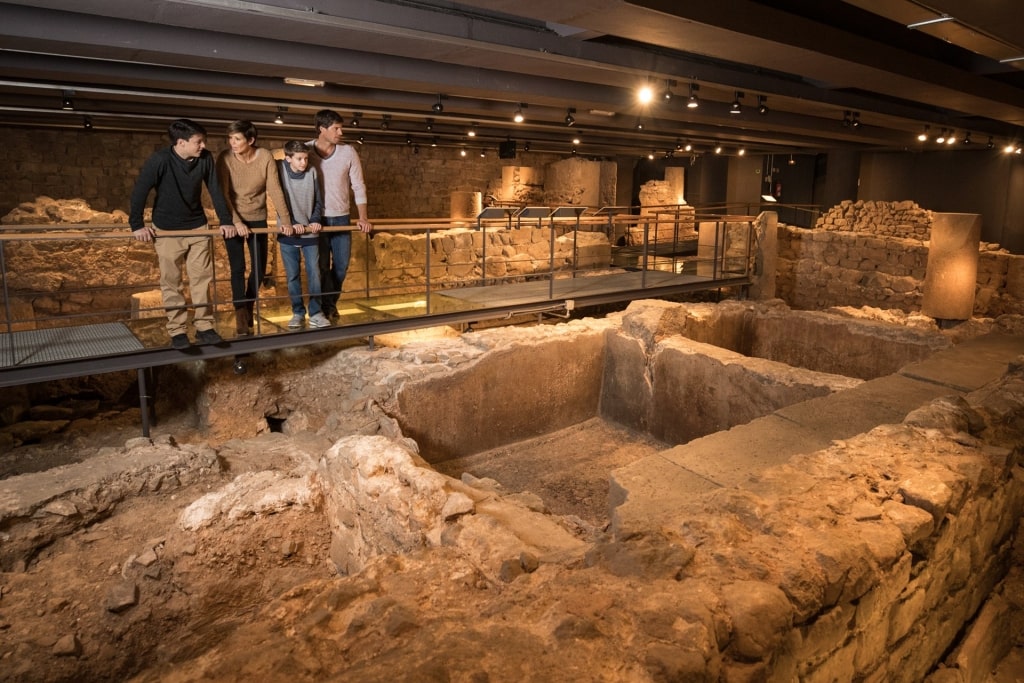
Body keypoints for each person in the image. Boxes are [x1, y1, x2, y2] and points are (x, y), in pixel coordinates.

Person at [129, 118, 234, 350]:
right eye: (198, 142)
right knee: (171, 282)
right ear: (181, 142)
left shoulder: (204, 159)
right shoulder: (160, 160)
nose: (203, 146)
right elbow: (140, 191)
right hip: (166, 230)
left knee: (201, 279)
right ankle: (177, 330)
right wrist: (136, 225)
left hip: (197, 227)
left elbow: (215, 190)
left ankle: (204, 326)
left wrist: (226, 221)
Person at [216, 120, 293, 336]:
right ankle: (241, 313)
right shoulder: (224, 158)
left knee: (259, 268)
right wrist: (235, 221)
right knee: (238, 267)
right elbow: (223, 193)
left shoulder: (265, 157)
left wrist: (285, 220)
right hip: (233, 219)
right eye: (230, 138)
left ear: (250, 140)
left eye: (237, 139)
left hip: (258, 218)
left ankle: (248, 304)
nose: (232, 143)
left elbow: (275, 189)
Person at [307, 109, 372, 319]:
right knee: (322, 266)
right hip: (317, 219)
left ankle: (329, 303)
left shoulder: (348, 152)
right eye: (336, 128)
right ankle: (327, 307)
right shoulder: (305, 151)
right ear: (322, 129)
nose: (340, 132)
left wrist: (362, 217)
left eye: (341, 127)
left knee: (342, 266)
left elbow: (358, 186)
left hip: (342, 217)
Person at [276, 140, 329, 329]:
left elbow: (318, 199)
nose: (303, 163)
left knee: (314, 274)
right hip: (288, 231)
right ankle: (297, 312)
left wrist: (315, 220)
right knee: (292, 276)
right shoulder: (279, 170)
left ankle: (316, 312)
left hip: (310, 233)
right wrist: (292, 223)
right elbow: (279, 199)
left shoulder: (312, 171)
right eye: (299, 159)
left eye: (305, 158)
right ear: (288, 158)